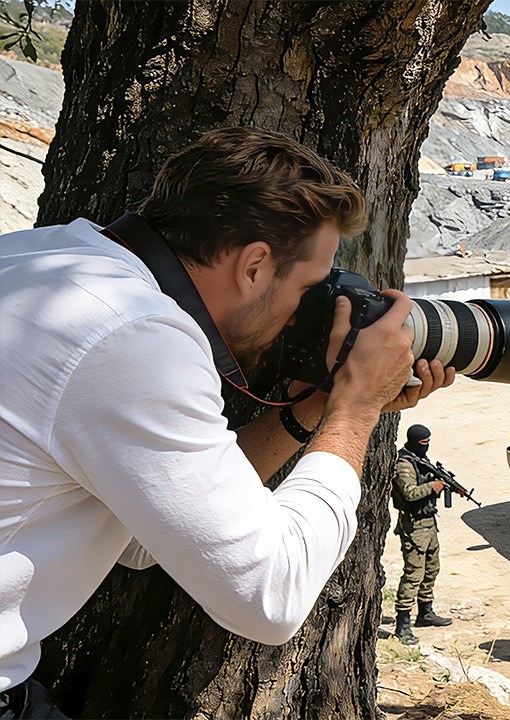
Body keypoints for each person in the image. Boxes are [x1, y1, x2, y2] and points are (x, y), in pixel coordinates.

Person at [0, 127, 453, 713]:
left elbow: (140, 534)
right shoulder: (134, 337)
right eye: (310, 287)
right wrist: (357, 408)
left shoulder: (44, 255)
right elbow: (271, 599)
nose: (307, 311)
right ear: (256, 266)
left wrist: (310, 409)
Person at [391, 424, 456, 645]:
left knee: (431, 569)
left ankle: (425, 613)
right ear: (414, 441)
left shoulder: (421, 460)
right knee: (413, 574)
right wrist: (433, 486)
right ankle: (403, 625)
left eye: (428, 442)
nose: (426, 447)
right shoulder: (404, 465)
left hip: (429, 523)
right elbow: (409, 493)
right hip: (413, 526)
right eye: (423, 443)